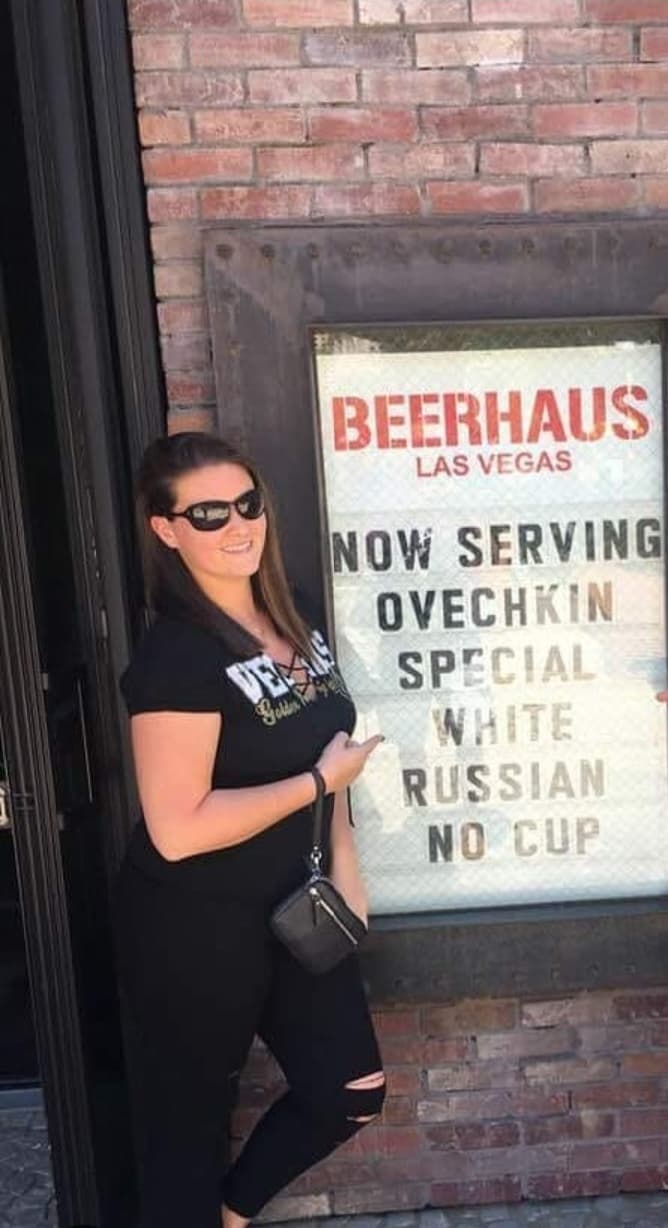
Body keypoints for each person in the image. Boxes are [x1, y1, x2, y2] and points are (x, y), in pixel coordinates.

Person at [113, 431, 385, 1228]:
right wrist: (314, 784)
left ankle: (230, 1217)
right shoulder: (178, 656)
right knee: (187, 1131)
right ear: (165, 530)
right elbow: (177, 829)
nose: (237, 524)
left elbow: (330, 749)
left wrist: (347, 867)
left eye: (246, 503)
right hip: (192, 925)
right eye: (206, 513)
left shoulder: (292, 609)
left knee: (348, 1091)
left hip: (297, 907)